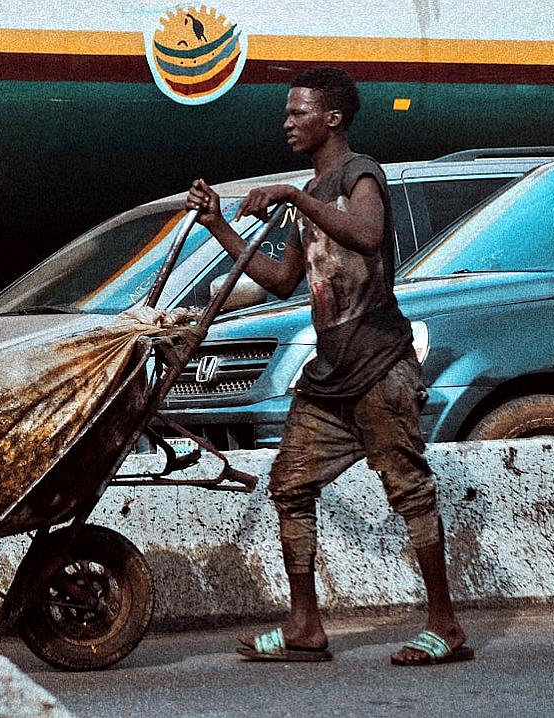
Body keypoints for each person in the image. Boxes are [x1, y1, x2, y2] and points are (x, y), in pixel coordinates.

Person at [185, 67, 472, 666]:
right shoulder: (313, 192)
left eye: (298, 112)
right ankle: (305, 627)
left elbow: (367, 236)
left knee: (409, 492)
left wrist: (295, 196)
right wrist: (217, 225)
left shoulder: (360, 174)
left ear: (332, 119)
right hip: (331, 377)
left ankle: (445, 626)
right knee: (290, 485)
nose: (287, 122)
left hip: (379, 366)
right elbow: (281, 280)